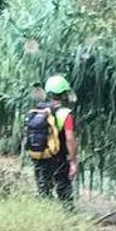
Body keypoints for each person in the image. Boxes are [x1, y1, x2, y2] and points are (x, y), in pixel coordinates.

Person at [27, 74, 78, 202]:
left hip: (40, 156)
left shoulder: (37, 111)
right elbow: (70, 139)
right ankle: (67, 216)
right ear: (65, 93)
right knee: (64, 191)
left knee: (44, 192)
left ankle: (45, 215)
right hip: (59, 159)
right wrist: (73, 161)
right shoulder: (66, 114)